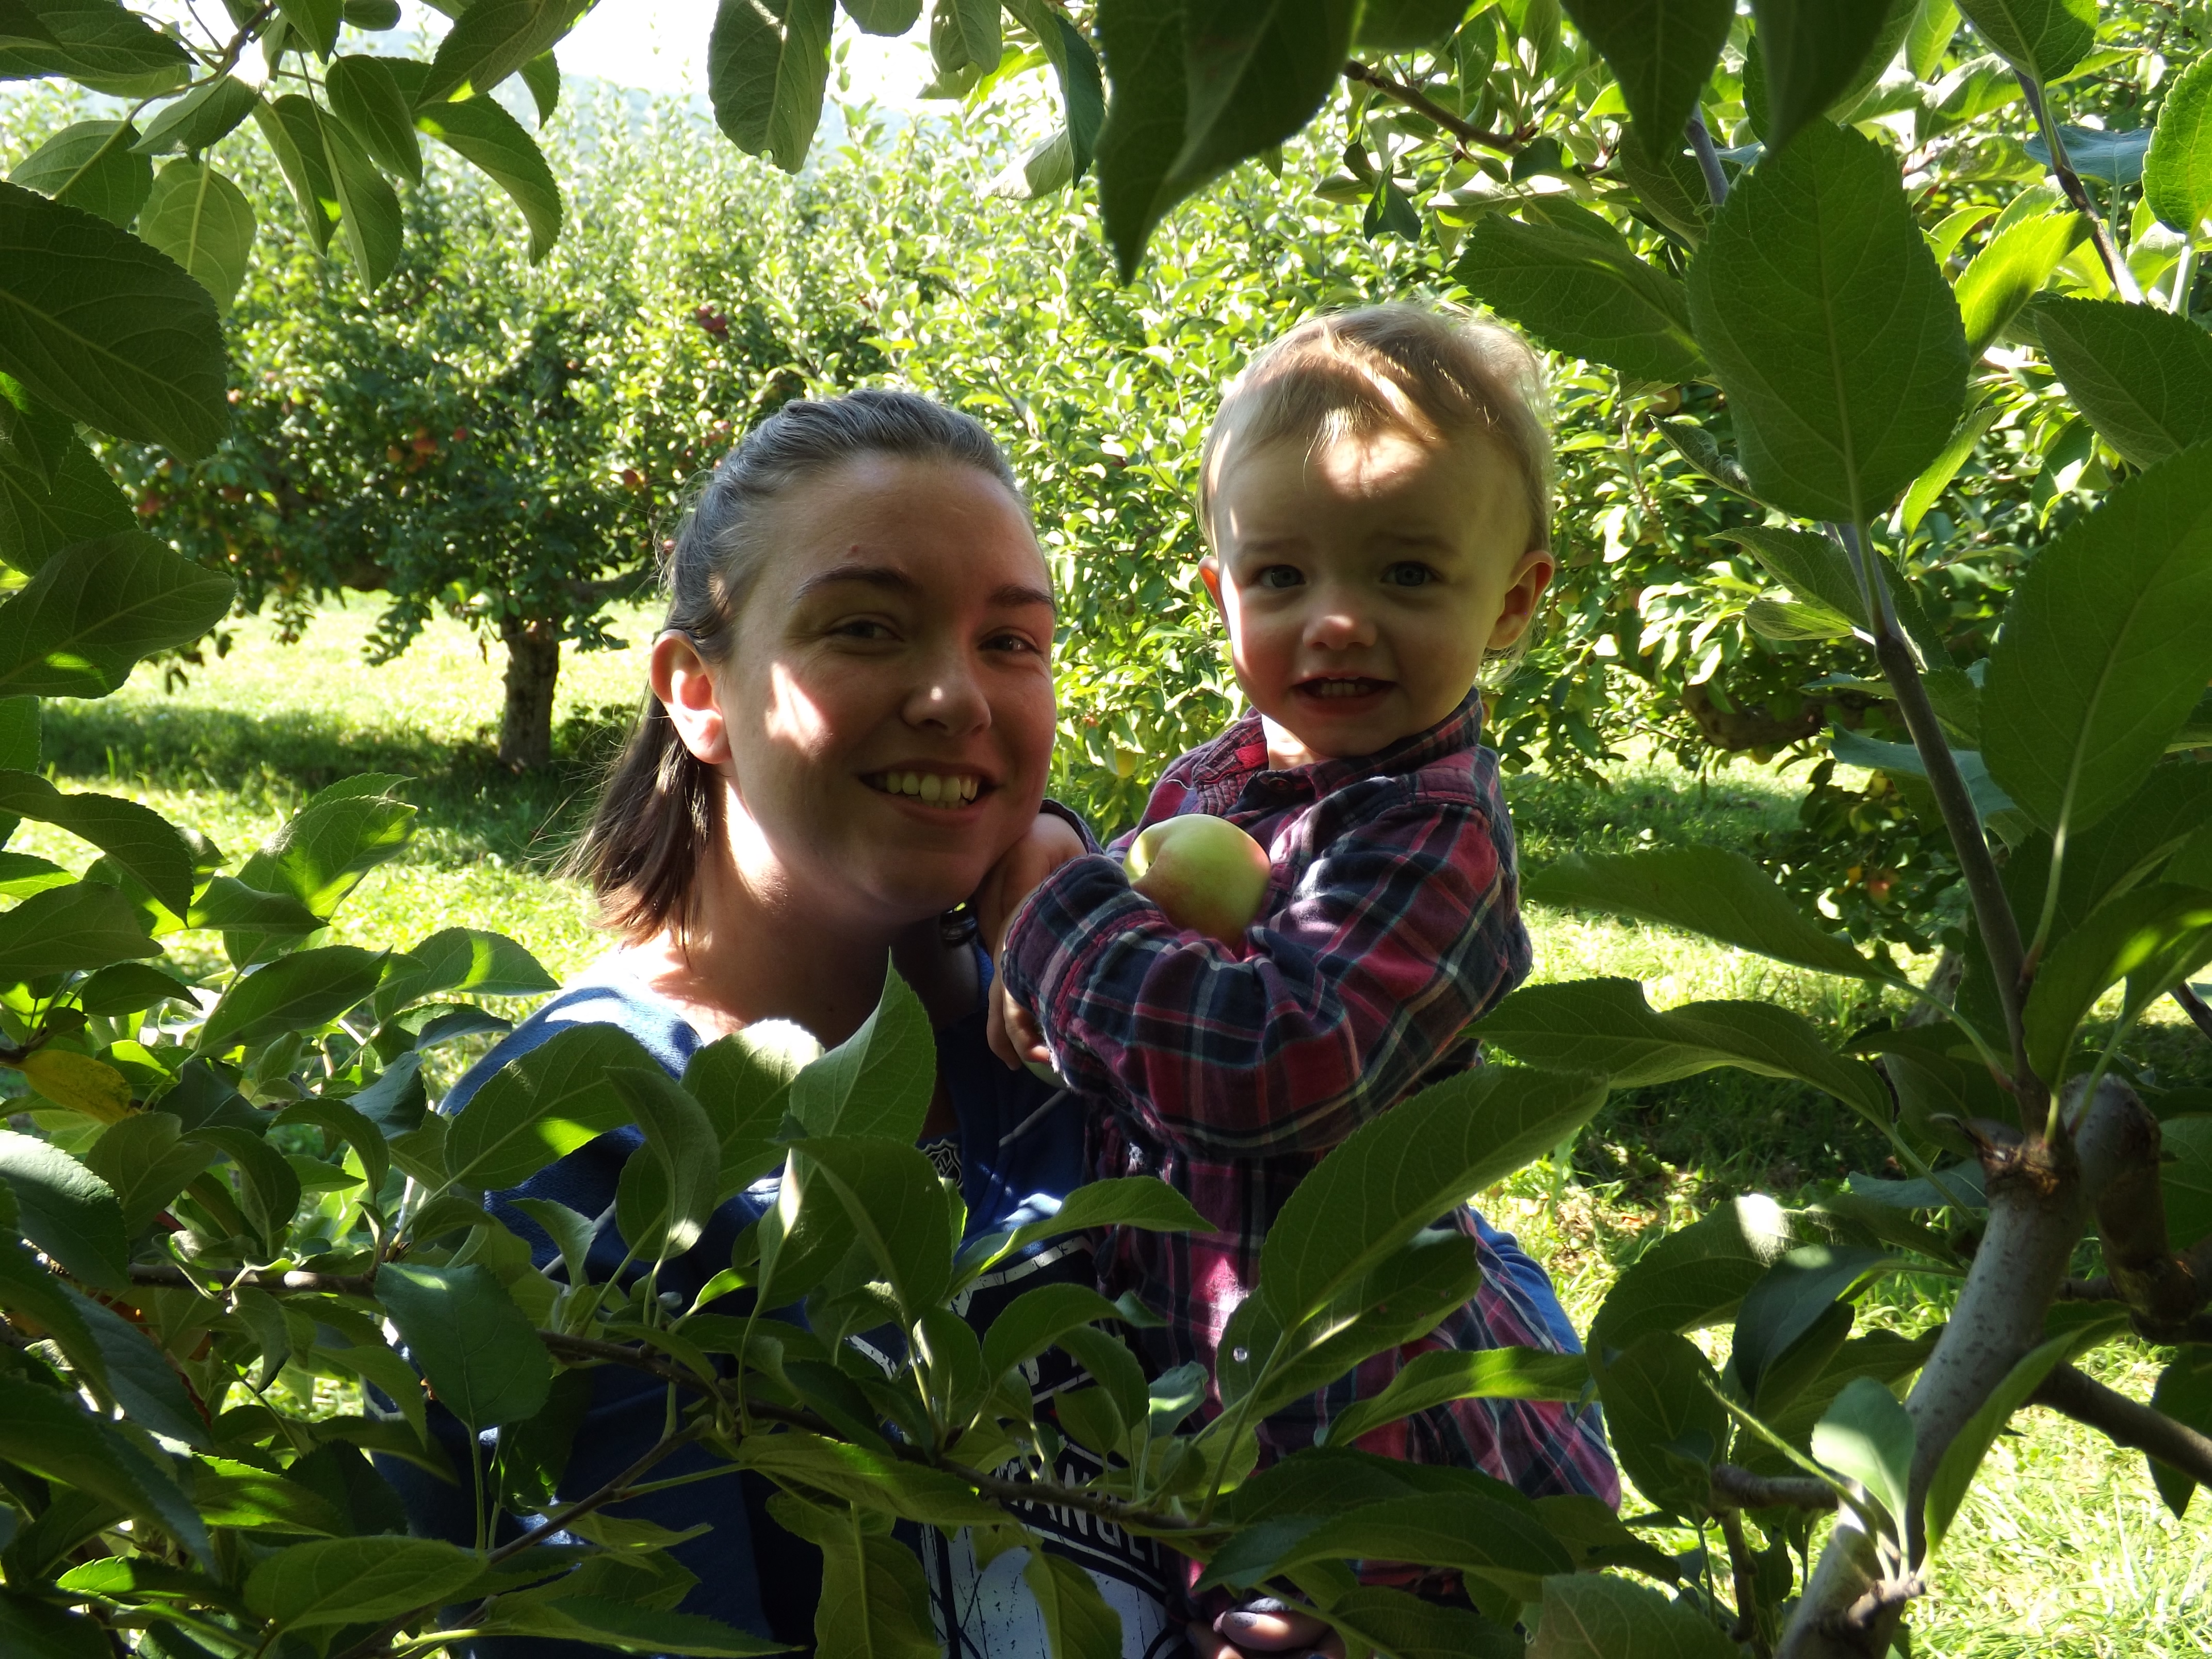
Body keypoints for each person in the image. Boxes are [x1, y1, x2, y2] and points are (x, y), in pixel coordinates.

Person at [391, 390, 1196, 1657]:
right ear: (696, 690)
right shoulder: (580, 1134)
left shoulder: (1103, 1035)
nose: (955, 697)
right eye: (866, 627)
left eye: (1012, 644)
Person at [989, 306, 1620, 1586]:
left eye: (1404, 575)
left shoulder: (1431, 839)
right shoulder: (1214, 783)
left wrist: (1044, 920)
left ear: (1513, 601)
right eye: (1280, 578)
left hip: (1355, 1430)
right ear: (1222, 595)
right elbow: (1142, 989)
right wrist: (1056, 957)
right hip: (1197, 1373)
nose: (1333, 623)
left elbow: (1273, 1067)